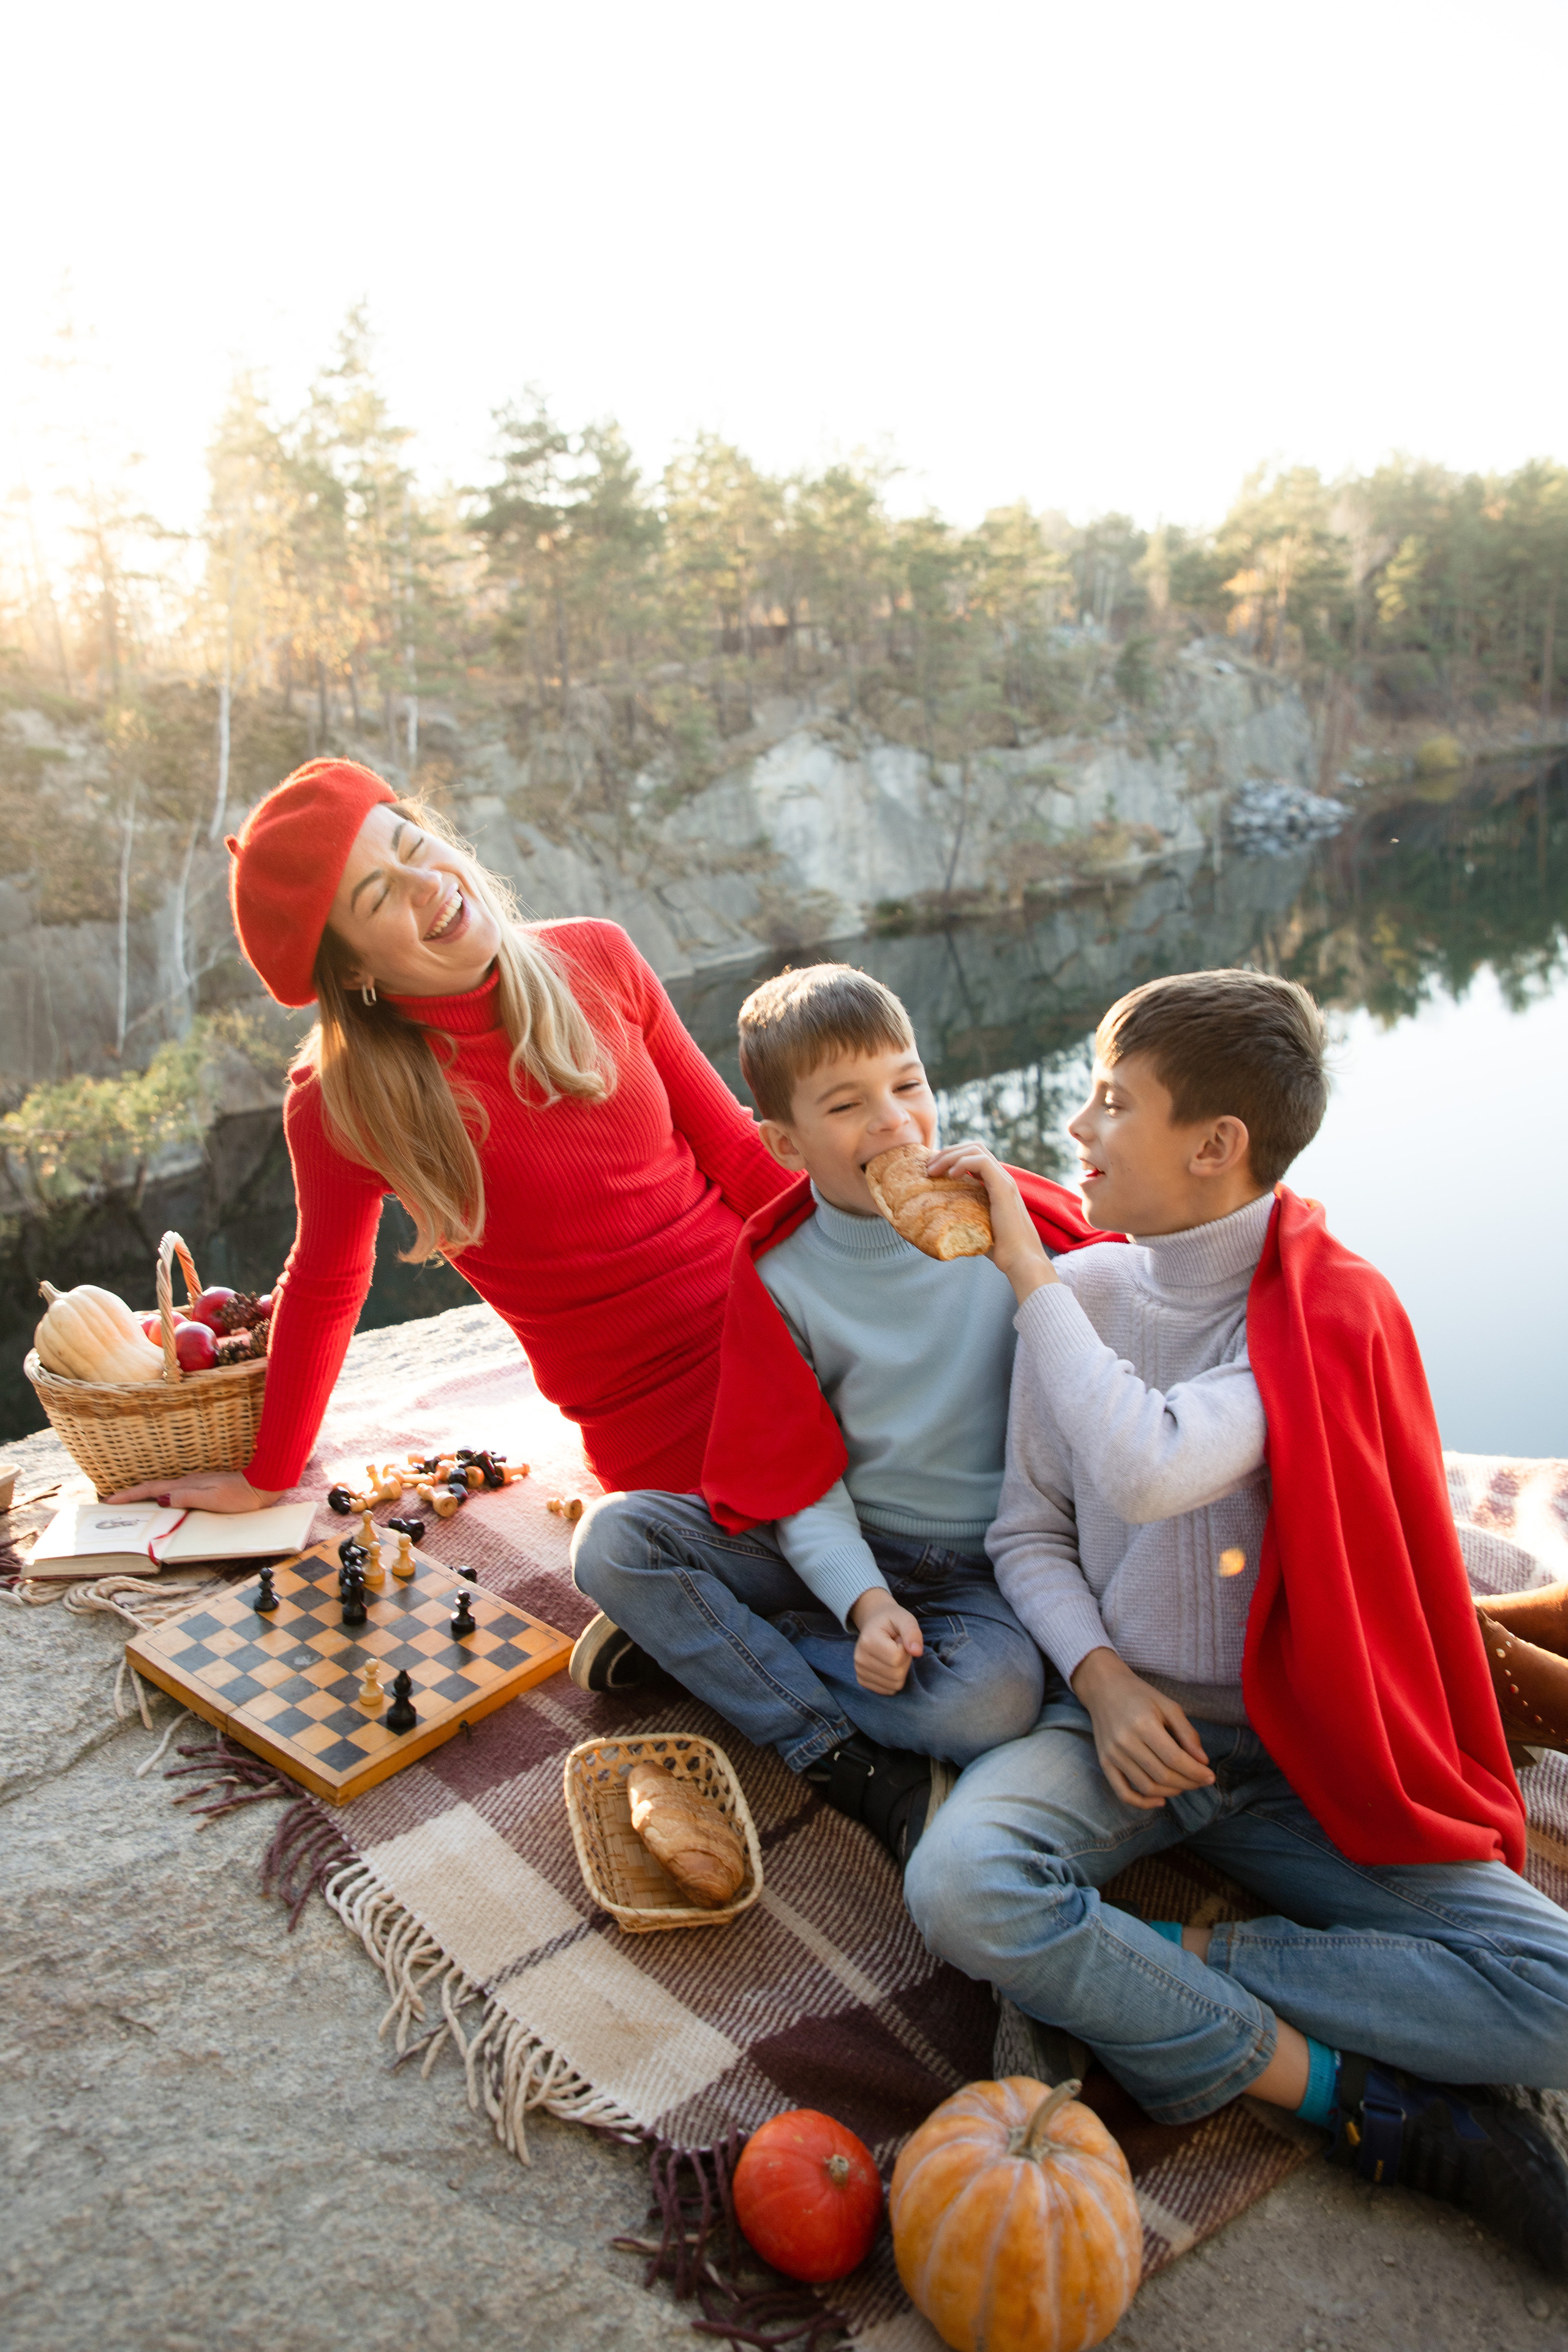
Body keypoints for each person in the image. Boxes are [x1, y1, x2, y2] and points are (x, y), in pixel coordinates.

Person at [902, 968, 1568, 2274]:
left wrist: (1027, 1273)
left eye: (1112, 1102)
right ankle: (1355, 2099)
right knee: (961, 1887)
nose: (1078, 1129)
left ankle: (1173, 1962)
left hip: (1310, 1750)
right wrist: (1098, 1679)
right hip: (1120, 1738)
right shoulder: (1088, 1298)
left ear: (1215, 1146)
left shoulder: (1316, 1314)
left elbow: (1149, 1462)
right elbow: (1028, 1534)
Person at [108, 758, 785, 1514]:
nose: (425, 883)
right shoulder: (343, 1100)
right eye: (378, 895)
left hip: (797, 1313)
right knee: (773, 1538)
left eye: (410, 845)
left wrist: (889, 1246)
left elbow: (736, 1151)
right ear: (353, 969)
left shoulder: (599, 954)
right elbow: (327, 1283)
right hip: (652, 1415)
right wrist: (267, 1477)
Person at [568, 962, 1106, 1863]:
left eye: (909, 1084)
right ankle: (818, 1737)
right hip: (837, 1543)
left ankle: (706, 1643)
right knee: (614, 1541)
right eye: (848, 1104)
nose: (894, 1120)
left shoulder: (1013, 1226)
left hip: (986, 1570)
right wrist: (864, 1604)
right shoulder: (784, 1274)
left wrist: (1028, 1265)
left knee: (990, 1705)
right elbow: (797, 1480)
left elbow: (1109, 1359)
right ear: (786, 1143)